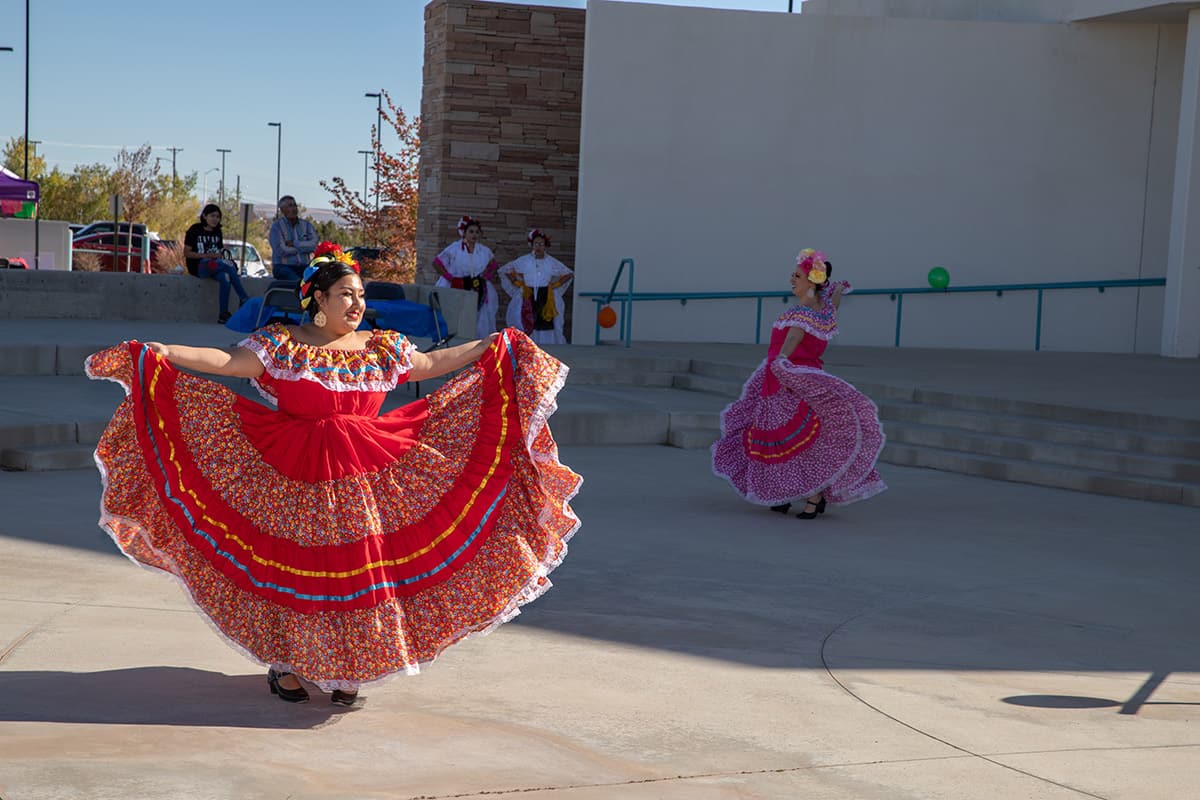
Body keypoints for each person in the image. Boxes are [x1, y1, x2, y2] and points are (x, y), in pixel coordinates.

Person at [85, 241, 581, 706]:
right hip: (293, 471)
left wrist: (487, 347)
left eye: (361, 295)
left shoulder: (379, 346)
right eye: (347, 294)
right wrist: (166, 352)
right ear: (318, 298)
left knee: (360, 575)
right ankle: (288, 664)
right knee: (293, 572)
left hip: (365, 472)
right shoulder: (282, 345)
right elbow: (227, 361)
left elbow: (429, 362)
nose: (357, 303)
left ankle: (351, 667)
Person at [711, 248, 886, 519]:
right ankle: (788, 492)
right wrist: (836, 290)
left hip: (786, 380)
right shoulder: (825, 310)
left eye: (797, 276)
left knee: (786, 439)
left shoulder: (801, 313)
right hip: (807, 380)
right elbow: (832, 302)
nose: (792, 280)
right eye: (792, 275)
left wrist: (781, 357)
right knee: (801, 438)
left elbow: (792, 339)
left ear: (812, 280)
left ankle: (812, 496)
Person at [498, 229, 574, 345]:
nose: (538, 247)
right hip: (528, 295)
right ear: (532, 245)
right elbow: (507, 269)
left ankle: (546, 346)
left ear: (545, 246)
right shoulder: (525, 261)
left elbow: (568, 274)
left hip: (545, 296)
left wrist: (556, 285)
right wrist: (517, 283)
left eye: (541, 244)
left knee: (546, 324)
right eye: (536, 244)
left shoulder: (551, 262)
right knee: (525, 321)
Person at [434, 215, 500, 339]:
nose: (474, 235)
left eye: (476, 232)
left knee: (479, 314)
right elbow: (437, 263)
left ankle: (478, 341)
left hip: (477, 285)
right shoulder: (454, 249)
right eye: (471, 232)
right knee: (458, 313)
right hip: (458, 283)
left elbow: (494, 264)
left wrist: (486, 276)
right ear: (464, 233)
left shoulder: (483, 250)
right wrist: (449, 277)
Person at [184, 204, 250, 324]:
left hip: (215, 266)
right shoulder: (195, 229)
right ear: (204, 216)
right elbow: (187, 253)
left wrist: (218, 256)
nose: (215, 219)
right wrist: (207, 256)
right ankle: (244, 298)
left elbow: (219, 251)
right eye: (212, 216)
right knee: (226, 265)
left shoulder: (217, 232)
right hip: (199, 266)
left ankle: (223, 314)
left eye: (218, 217)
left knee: (225, 278)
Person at [267, 195, 319, 280]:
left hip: (304, 266)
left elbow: (314, 245)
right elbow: (281, 250)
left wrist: (294, 244)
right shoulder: (277, 227)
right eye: (290, 206)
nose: (294, 208)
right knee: (297, 282)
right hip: (284, 267)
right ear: (282, 210)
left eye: (295, 205)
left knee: (317, 280)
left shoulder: (306, 225)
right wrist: (303, 248)